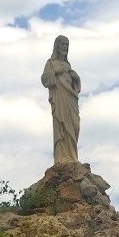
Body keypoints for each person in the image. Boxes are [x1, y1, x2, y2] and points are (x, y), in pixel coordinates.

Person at [41, 35, 81, 164]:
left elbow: (75, 87)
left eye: (66, 44)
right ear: (57, 46)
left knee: (75, 125)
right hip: (59, 100)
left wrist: (76, 79)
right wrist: (55, 71)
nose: (65, 47)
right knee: (61, 126)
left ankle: (73, 156)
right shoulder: (51, 63)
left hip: (71, 100)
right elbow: (45, 79)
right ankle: (62, 158)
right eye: (62, 44)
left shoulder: (68, 65)